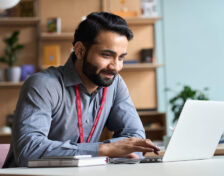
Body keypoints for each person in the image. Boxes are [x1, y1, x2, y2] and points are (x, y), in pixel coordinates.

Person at [3, 12, 160, 167]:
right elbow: (29, 151)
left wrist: (112, 150)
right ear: (80, 51)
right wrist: (104, 149)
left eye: (121, 58)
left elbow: (135, 137)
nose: (116, 67)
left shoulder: (115, 83)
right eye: (106, 55)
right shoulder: (42, 85)